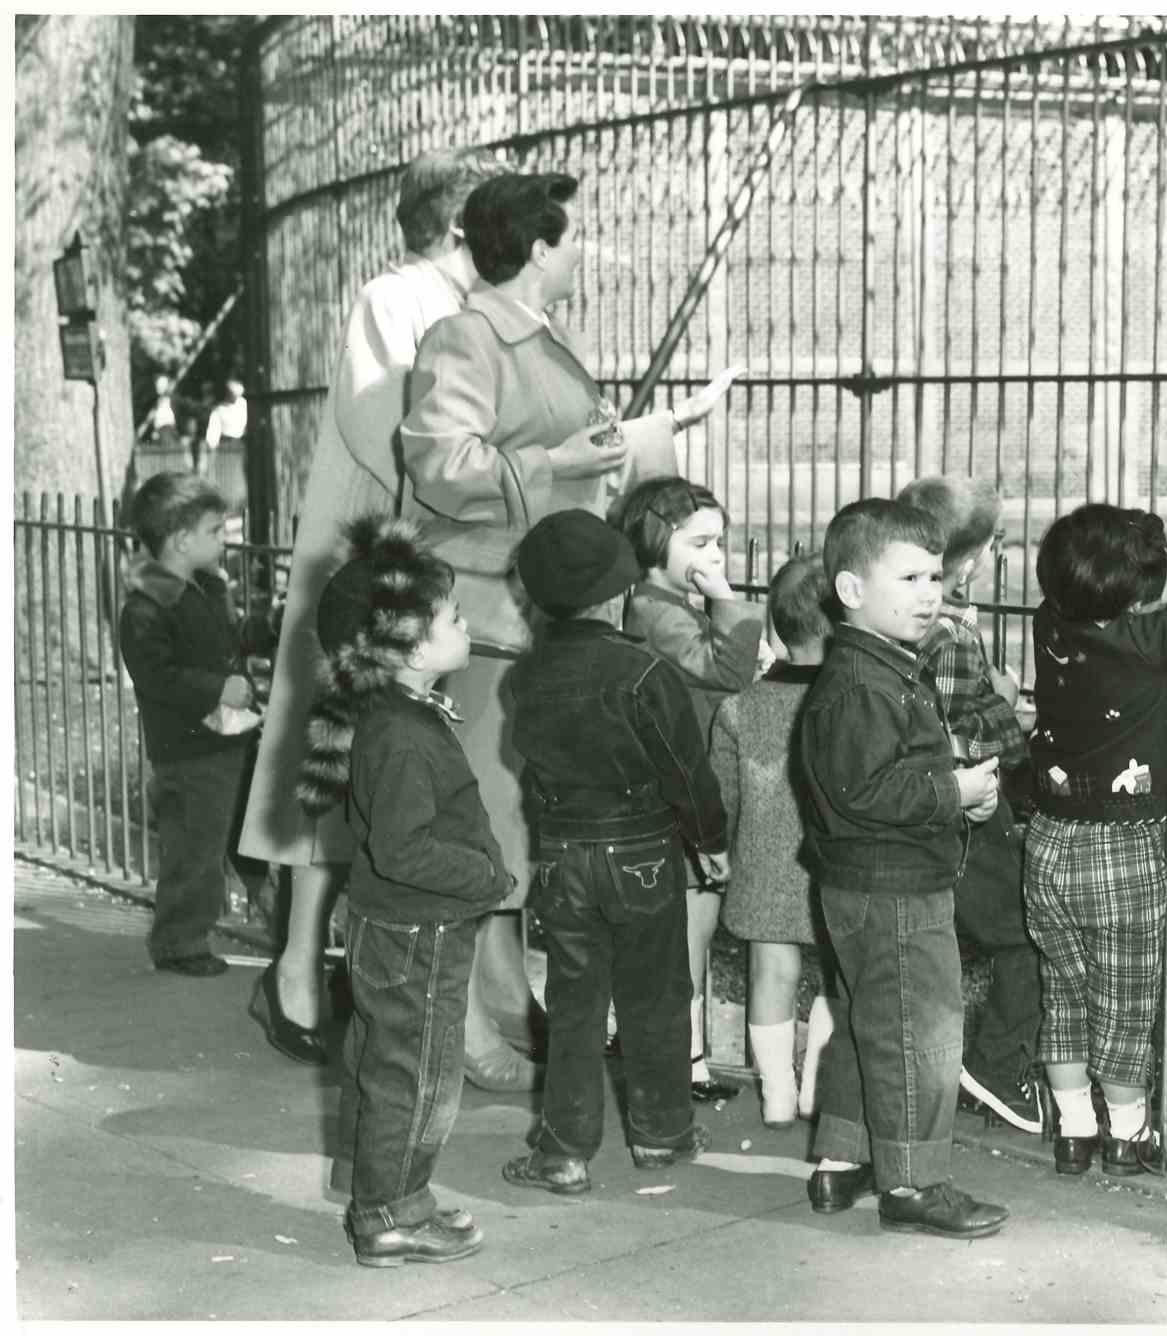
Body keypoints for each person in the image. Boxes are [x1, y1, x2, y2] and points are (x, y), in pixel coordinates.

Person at [397, 170, 738, 1089]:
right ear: (539, 249)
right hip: (487, 616)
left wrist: (643, 434)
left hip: (528, 615)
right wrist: (558, 459)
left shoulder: (535, 337)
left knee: (507, 829)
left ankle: (503, 1001)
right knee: (481, 829)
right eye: (574, 236)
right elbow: (441, 466)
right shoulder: (467, 336)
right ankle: (465, 1022)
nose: (584, 250)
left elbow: (572, 458)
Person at [237, 147, 517, 1075]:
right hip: (378, 555)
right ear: (453, 226)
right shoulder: (394, 298)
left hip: (437, 559)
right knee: (339, 766)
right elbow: (385, 429)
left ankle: (451, 987)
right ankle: (295, 975)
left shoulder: (464, 307)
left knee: (409, 768)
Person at [295, 516, 507, 1268]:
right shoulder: (402, 735)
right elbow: (404, 847)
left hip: (397, 928)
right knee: (416, 1076)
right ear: (411, 649)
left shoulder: (395, 713)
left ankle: (380, 1190)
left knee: (381, 1062)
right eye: (452, 616)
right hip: (421, 932)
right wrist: (488, 877)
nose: (465, 622)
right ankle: (390, 1214)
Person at [797, 497, 1009, 1240]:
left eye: (935, 577)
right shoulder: (864, 683)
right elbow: (869, 791)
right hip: (893, 888)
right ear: (851, 592)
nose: (932, 594)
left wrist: (956, 790)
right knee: (919, 1031)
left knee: (868, 1023)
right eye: (910, 578)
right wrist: (954, 789)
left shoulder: (879, 666)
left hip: (866, 880)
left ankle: (844, 1158)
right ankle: (915, 1181)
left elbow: (878, 774)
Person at [501, 510, 728, 1195]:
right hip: (644, 853)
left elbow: (533, 770)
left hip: (564, 853)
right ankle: (662, 1134)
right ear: (617, 593)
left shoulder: (523, 679)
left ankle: (564, 1152)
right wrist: (710, 841)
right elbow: (686, 771)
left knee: (574, 1002)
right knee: (655, 996)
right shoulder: (646, 671)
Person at [1023, 504, 1167, 1176]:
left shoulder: (1047, 624)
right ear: (1137, 594)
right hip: (1121, 847)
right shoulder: (1145, 642)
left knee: (1065, 992)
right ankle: (1128, 1135)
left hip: (1049, 838)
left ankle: (1073, 1132)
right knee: (1125, 999)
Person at [896, 476, 1045, 1134]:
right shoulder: (950, 636)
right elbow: (945, 725)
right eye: (992, 544)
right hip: (974, 805)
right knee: (1028, 937)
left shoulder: (918, 622)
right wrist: (1006, 705)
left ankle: (926, 1067)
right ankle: (996, 1068)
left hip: (938, 806)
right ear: (964, 558)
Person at [611, 477, 764, 1100]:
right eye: (700, 542)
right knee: (686, 930)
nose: (715, 557)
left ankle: (686, 1054)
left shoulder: (666, 605)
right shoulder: (655, 610)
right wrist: (728, 600)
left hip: (688, 779)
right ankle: (681, 1057)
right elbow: (726, 670)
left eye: (719, 544)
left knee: (691, 926)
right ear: (656, 538)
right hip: (677, 785)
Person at [709, 554, 838, 1127]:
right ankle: (818, 1086)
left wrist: (723, 848)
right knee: (841, 978)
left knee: (770, 975)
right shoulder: (850, 702)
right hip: (835, 862)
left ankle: (777, 1093)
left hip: (763, 862)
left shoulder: (740, 708)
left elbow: (723, 795)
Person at [116, 471, 261, 978]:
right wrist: (216, 688)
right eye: (216, 531)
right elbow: (157, 678)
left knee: (249, 837)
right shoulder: (146, 607)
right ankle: (179, 943)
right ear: (181, 541)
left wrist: (260, 631)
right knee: (195, 850)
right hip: (189, 751)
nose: (225, 539)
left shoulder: (206, 587)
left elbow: (228, 637)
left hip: (228, 739)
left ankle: (284, 927)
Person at [201, 376, 247, 476]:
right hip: (226, 444)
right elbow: (213, 431)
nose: (234, 396)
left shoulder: (245, 405)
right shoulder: (219, 410)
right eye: (232, 393)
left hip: (243, 443)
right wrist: (212, 445)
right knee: (228, 473)